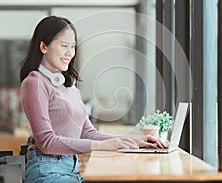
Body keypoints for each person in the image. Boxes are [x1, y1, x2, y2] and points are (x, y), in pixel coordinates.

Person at [20, 16, 167, 183]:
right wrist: (105, 145)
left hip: (71, 169)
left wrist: (133, 142)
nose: (70, 53)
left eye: (73, 46)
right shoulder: (34, 83)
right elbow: (47, 142)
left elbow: (88, 132)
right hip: (47, 170)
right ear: (43, 46)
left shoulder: (69, 86)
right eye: (64, 46)